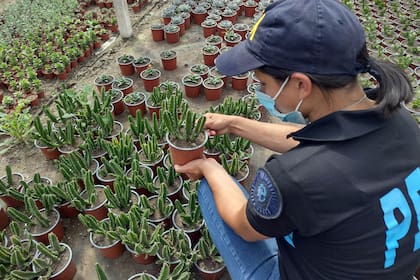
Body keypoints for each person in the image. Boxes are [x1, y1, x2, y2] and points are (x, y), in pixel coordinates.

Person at [174, 0, 420, 279]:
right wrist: (234, 123)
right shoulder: (403, 122)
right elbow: (316, 149)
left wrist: (210, 168)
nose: (261, 90)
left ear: (301, 84)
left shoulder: (294, 177)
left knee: (212, 191)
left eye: (263, 83)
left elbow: (243, 226)